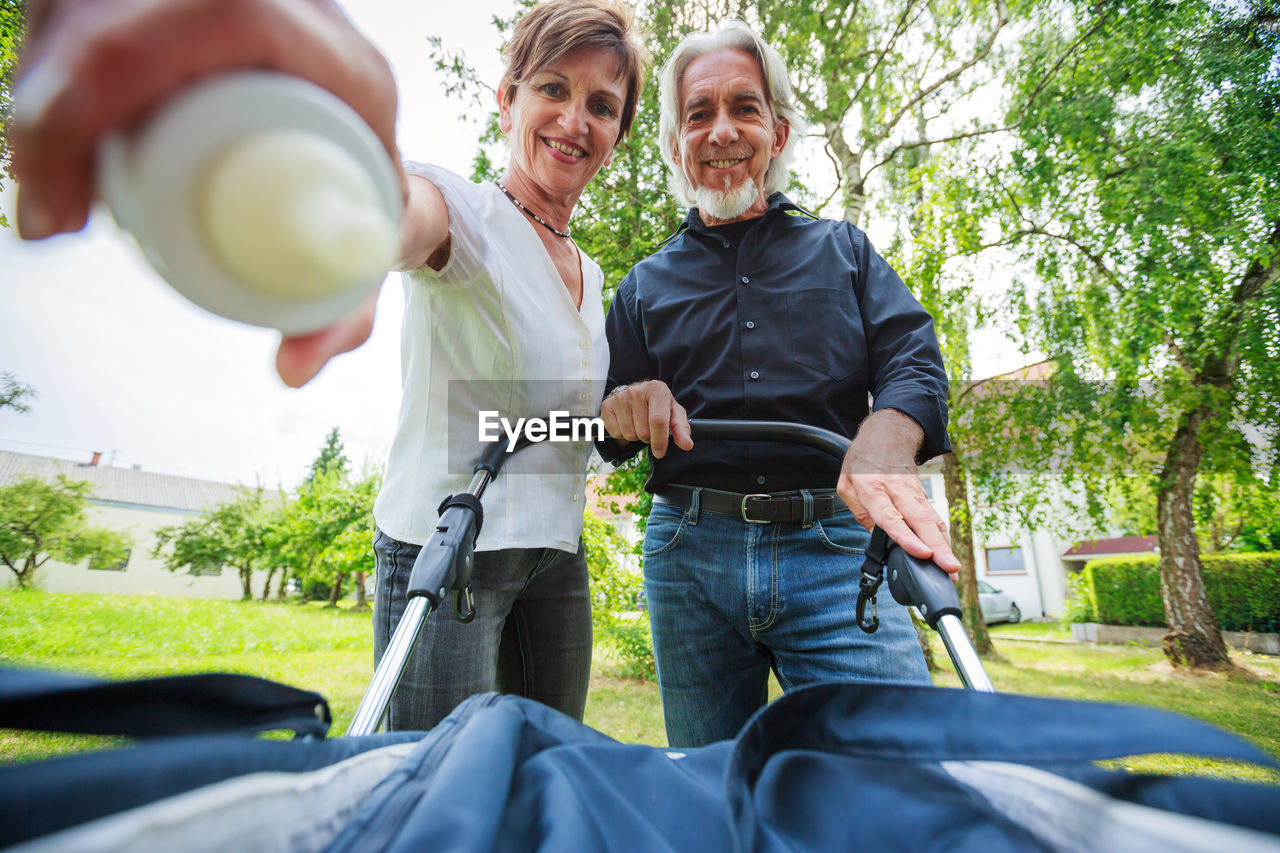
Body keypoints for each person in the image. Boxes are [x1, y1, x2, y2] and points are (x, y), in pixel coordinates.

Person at [11, 0, 648, 731]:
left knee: (547, 772)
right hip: (451, 548)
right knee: (425, 787)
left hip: (555, 557)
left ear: (617, 136)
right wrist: (348, 212)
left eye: (602, 105)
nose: (575, 121)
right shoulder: (467, 215)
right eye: (553, 89)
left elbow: (548, 420)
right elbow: (404, 215)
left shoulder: (593, 278)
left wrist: (622, 409)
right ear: (507, 101)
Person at [598, 20, 962, 748]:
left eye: (745, 108)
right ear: (676, 147)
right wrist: (621, 409)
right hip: (687, 558)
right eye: (698, 114)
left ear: (780, 131)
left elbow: (914, 358)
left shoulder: (847, 252)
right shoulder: (640, 288)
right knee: (710, 790)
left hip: (836, 546)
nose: (722, 130)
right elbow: (601, 432)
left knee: (903, 776)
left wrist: (887, 439)